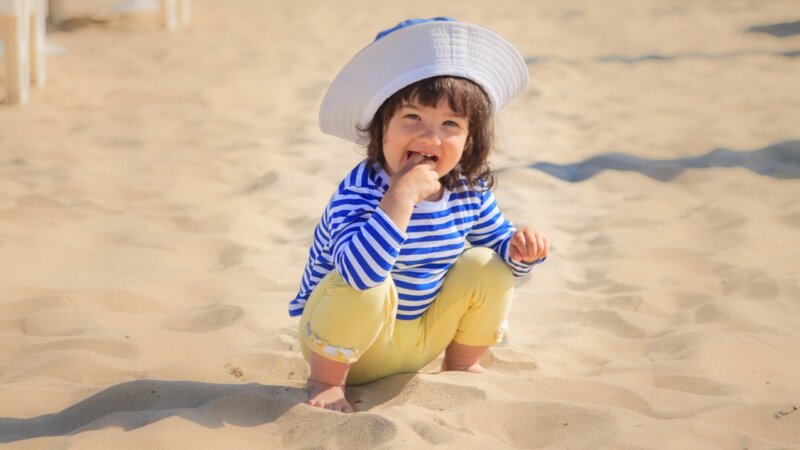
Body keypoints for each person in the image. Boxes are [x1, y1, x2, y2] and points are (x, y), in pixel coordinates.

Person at [289, 17, 549, 413]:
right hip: (347, 348)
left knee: (486, 264)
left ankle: (462, 364)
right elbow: (359, 275)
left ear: (469, 140)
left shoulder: (466, 189)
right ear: (381, 128)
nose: (430, 138)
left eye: (450, 125)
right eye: (412, 118)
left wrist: (520, 252)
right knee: (371, 285)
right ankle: (324, 384)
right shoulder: (360, 191)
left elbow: (499, 247)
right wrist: (401, 196)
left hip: (421, 340)